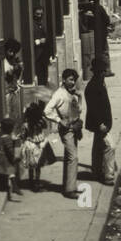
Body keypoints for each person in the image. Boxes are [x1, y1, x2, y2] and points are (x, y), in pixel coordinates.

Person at [46, 68, 83, 199]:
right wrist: (58, 120)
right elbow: (47, 110)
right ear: (64, 80)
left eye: (74, 80)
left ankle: (68, 185)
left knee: (69, 157)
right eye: (70, 80)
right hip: (66, 130)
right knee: (73, 157)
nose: (73, 82)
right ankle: (69, 190)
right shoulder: (59, 94)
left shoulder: (71, 92)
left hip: (75, 127)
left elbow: (79, 110)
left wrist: (79, 96)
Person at [84, 68, 114, 182]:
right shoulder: (93, 86)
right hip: (100, 123)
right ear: (98, 72)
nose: (104, 74)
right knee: (110, 146)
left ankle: (96, 172)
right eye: (102, 71)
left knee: (97, 147)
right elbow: (93, 108)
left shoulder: (99, 83)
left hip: (102, 122)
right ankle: (108, 176)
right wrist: (100, 123)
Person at [19, 99, 51, 191]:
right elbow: (46, 126)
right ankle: (37, 182)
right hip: (40, 145)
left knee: (31, 166)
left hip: (29, 145)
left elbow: (22, 135)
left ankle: (31, 182)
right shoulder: (41, 122)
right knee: (38, 166)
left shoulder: (26, 125)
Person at [0, 118, 23, 201]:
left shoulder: (2, 135)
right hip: (4, 158)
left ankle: (14, 186)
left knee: (10, 171)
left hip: (1, 156)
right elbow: (10, 150)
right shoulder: (7, 138)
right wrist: (17, 141)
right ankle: (15, 186)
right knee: (10, 169)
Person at [32, 8, 52, 90]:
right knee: (39, 77)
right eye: (37, 14)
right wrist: (39, 41)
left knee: (45, 77)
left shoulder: (43, 24)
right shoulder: (32, 25)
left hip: (44, 55)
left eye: (41, 14)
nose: (39, 16)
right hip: (37, 56)